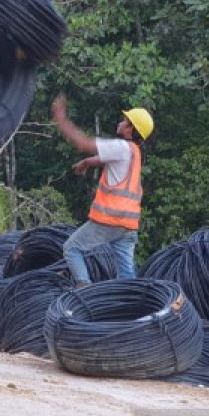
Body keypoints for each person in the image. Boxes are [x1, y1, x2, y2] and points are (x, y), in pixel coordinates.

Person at [51, 93, 154, 287]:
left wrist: (61, 118)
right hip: (129, 226)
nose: (121, 122)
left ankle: (86, 292)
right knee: (126, 274)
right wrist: (88, 162)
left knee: (72, 248)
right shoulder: (135, 153)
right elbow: (107, 160)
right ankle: (131, 306)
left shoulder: (122, 146)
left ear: (131, 130)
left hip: (110, 220)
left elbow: (83, 144)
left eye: (125, 121)